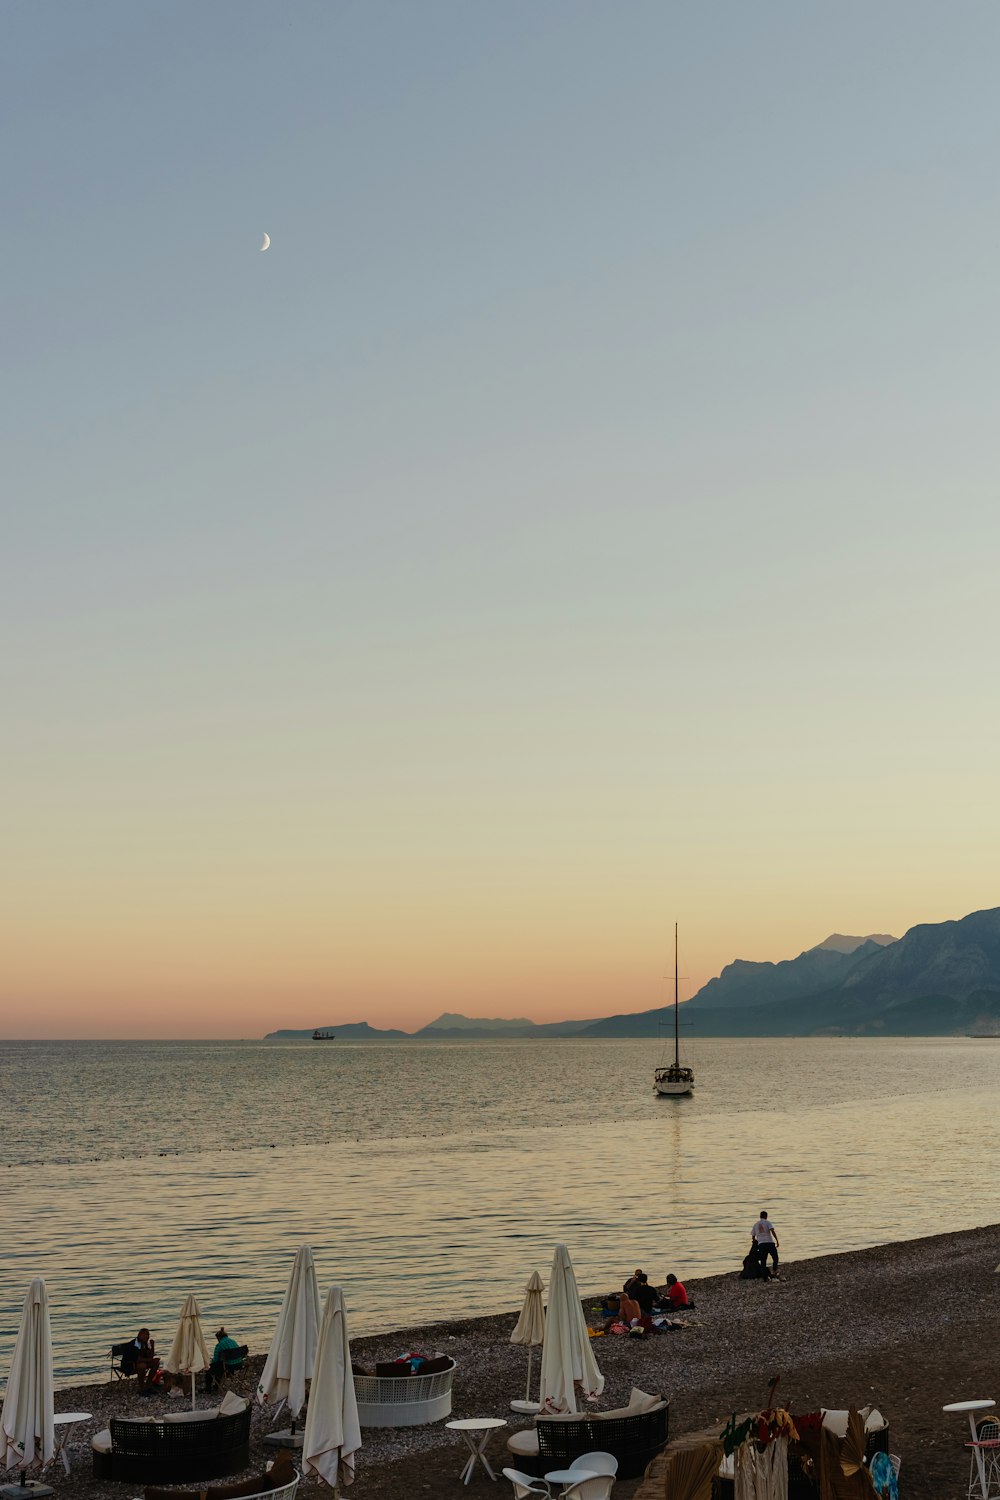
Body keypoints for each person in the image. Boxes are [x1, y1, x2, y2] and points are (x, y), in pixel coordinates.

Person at [205, 1326, 244, 1390]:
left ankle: (208, 1389)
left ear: (219, 1338)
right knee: (219, 1366)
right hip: (239, 1365)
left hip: (230, 1367)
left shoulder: (219, 1345)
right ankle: (216, 1386)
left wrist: (209, 1363)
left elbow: (216, 1359)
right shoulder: (233, 1341)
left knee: (210, 1369)